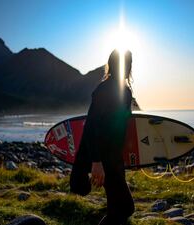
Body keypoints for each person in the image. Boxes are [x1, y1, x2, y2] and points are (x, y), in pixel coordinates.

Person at [70, 49, 135, 225]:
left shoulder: (126, 92)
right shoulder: (104, 89)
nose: (126, 66)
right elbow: (91, 125)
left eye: (128, 63)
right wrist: (96, 162)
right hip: (103, 157)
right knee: (123, 209)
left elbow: (121, 127)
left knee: (124, 208)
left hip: (114, 158)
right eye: (124, 63)